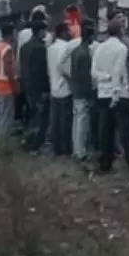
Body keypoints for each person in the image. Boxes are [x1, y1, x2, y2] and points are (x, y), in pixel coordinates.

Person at [94, 17, 129, 171]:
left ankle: (105, 162)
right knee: (124, 130)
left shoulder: (99, 47)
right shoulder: (121, 48)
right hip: (119, 93)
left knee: (105, 130)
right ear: (121, 31)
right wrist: (115, 92)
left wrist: (104, 77)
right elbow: (118, 71)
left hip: (102, 92)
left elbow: (93, 72)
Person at [47, 22, 79, 157]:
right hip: (65, 88)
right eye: (68, 31)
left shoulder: (50, 48)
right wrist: (73, 80)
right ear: (63, 33)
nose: (70, 34)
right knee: (66, 121)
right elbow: (65, 68)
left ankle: (56, 148)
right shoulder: (66, 48)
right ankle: (66, 149)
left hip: (54, 87)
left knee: (55, 120)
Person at [20, 19, 51, 152]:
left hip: (27, 85)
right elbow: (40, 71)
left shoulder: (25, 46)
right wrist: (45, 89)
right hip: (37, 88)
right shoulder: (40, 48)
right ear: (40, 31)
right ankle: (35, 144)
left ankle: (28, 141)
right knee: (40, 117)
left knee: (31, 115)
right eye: (44, 30)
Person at [70, 20, 98, 154]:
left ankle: (76, 148)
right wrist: (90, 94)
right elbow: (85, 77)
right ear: (91, 36)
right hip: (83, 91)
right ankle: (80, 151)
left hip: (75, 89)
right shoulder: (85, 54)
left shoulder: (76, 50)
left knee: (77, 120)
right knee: (82, 121)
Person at [0, 21, 18, 144]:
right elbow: (8, 70)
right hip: (5, 86)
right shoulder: (7, 48)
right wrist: (15, 86)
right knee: (6, 116)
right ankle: (3, 143)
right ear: (10, 35)